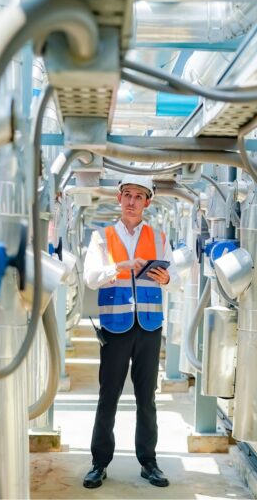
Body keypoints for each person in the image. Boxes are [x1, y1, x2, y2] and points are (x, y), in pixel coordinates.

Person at [81, 174, 181, 489]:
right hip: (115, 326)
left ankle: (148, 463)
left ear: (147, 202)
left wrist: (166, 279)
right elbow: (91, 278)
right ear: (118, 198)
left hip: (150, 327)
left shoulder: (159, 237)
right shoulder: (102, 237)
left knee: (146, 398)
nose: (132, 202)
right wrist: (122, 267)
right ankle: (99, 463)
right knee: (108, 396)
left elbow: (176, 278)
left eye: (139, 196)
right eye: (127, 195)